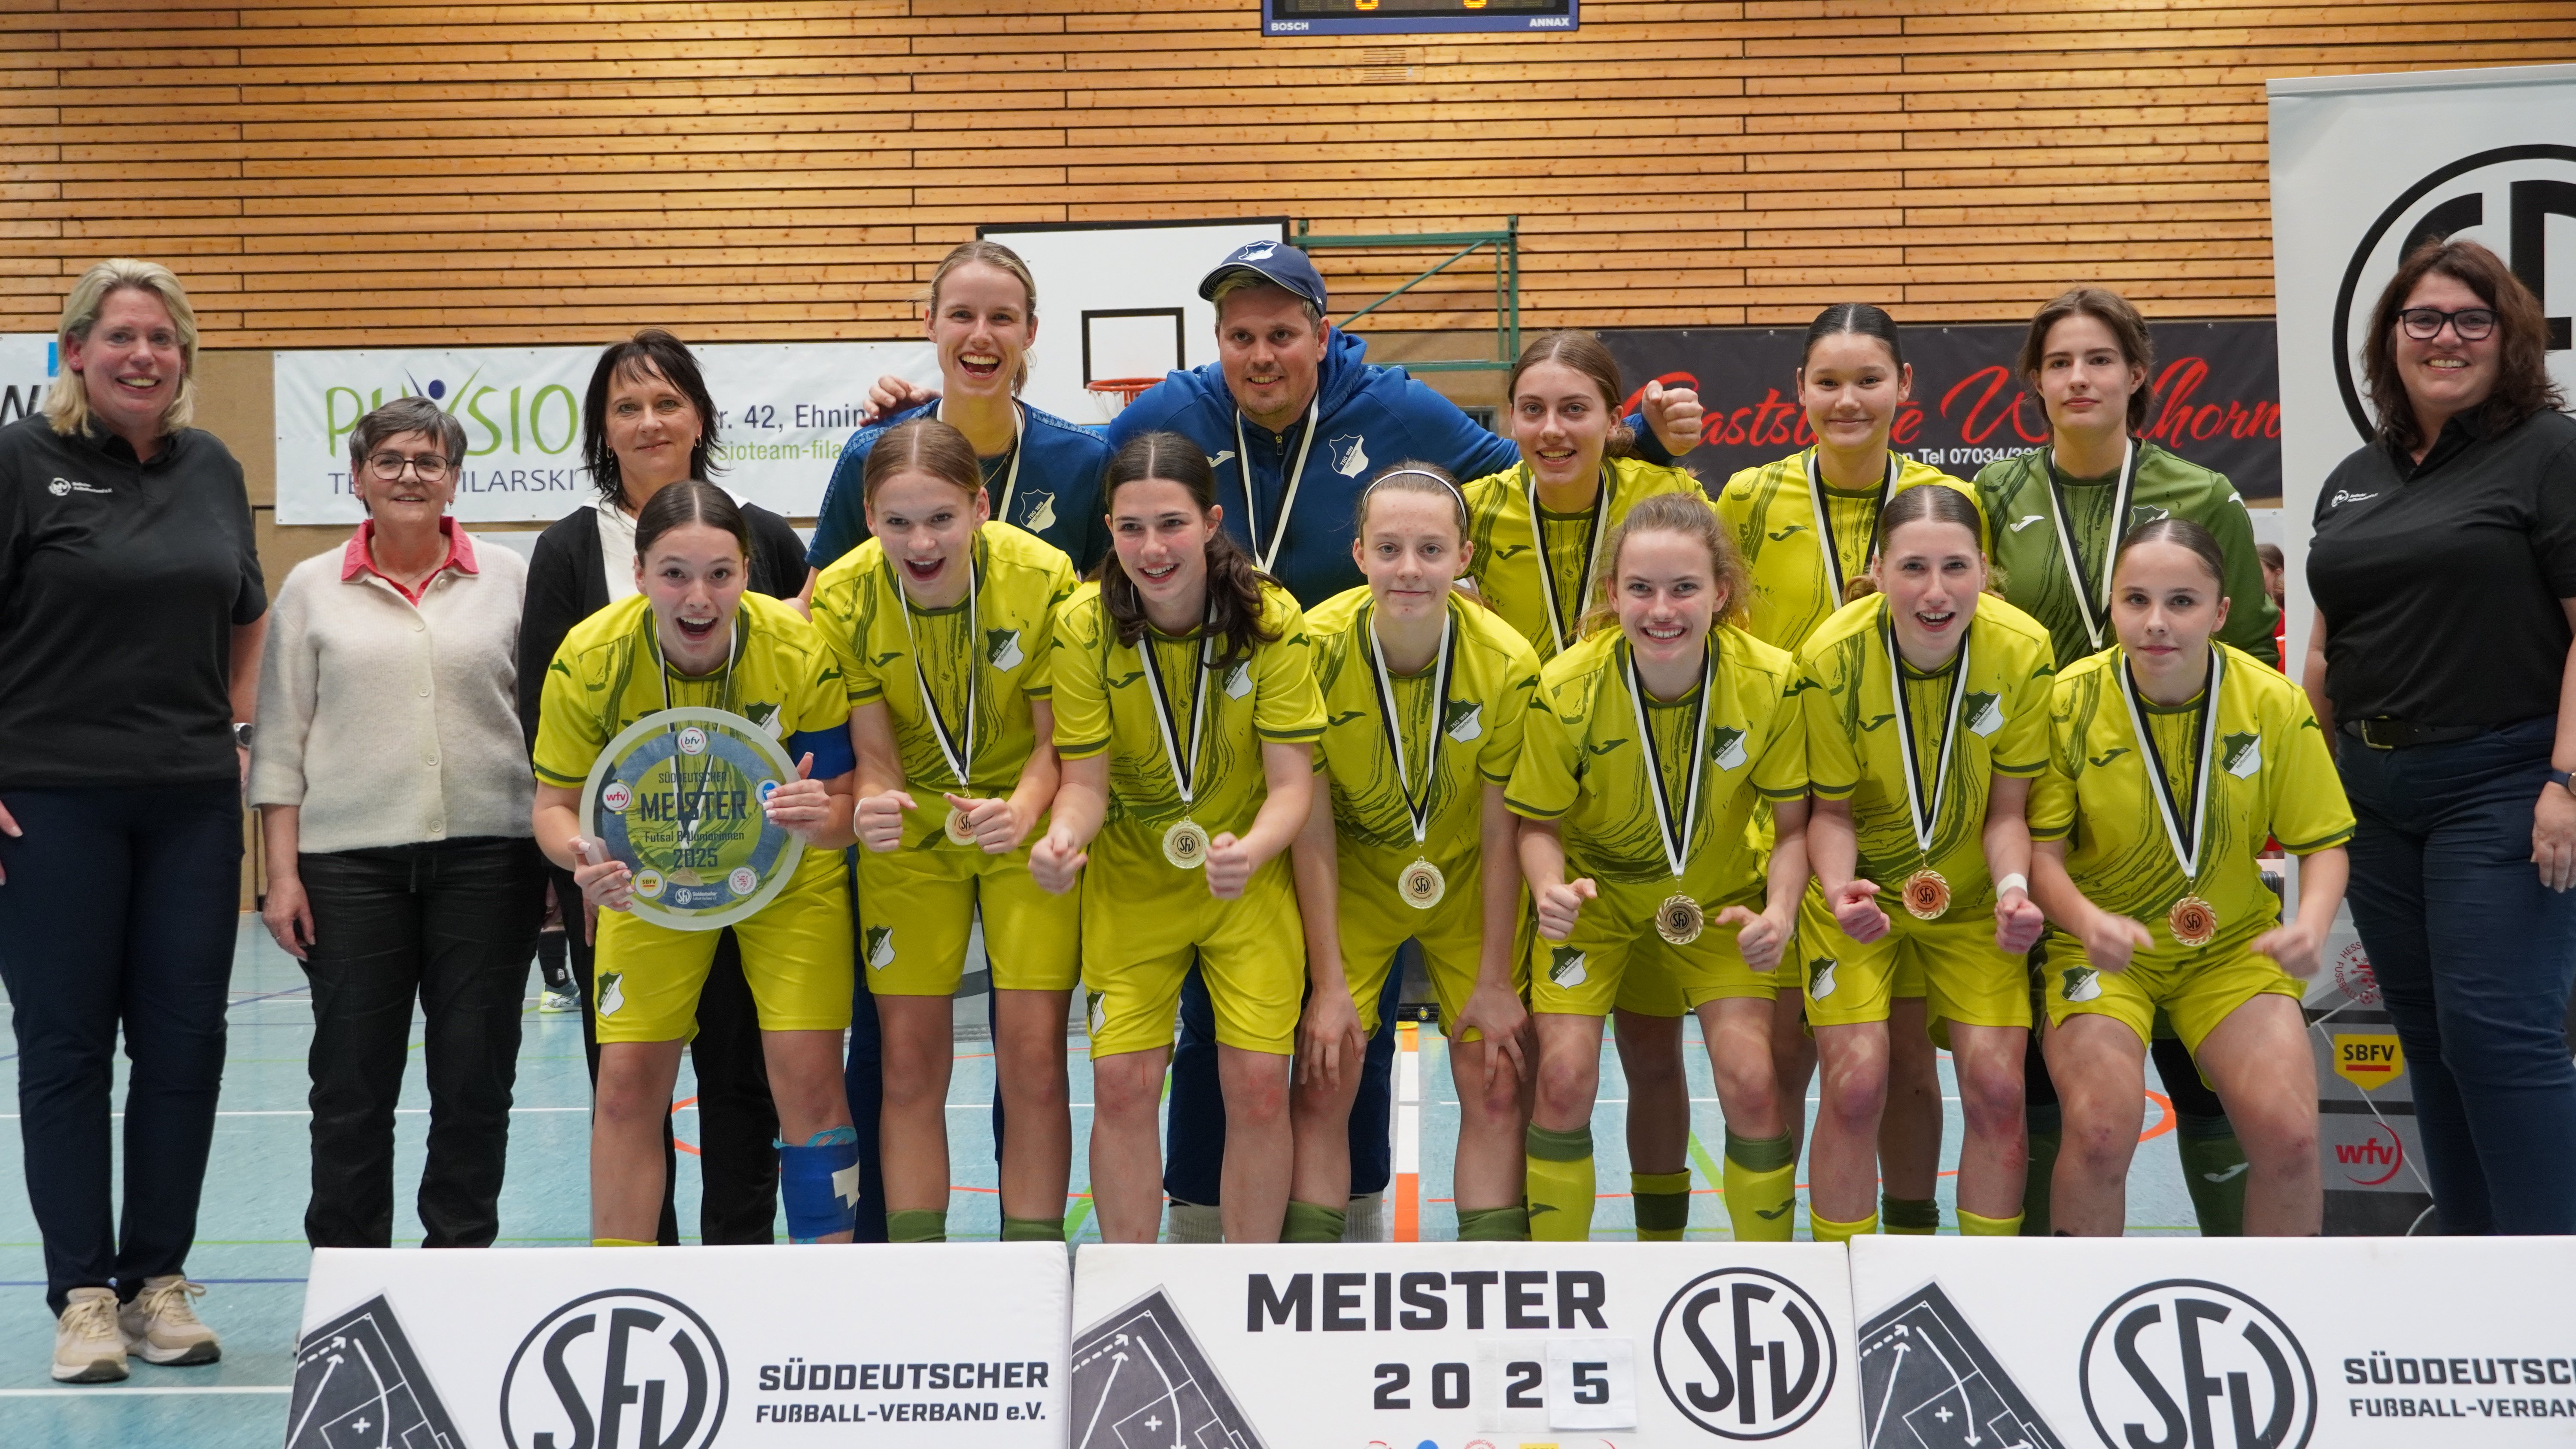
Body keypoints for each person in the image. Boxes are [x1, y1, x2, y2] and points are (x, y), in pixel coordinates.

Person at [871, 244, 1707, 1238]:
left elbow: (1530, 471)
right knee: (1196, 1050)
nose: (1260, 354)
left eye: (1280, 334)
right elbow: (1069, 467)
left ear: (1323, 332)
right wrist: (919, 429)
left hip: (1335, 766)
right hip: (1198, 789)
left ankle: (1325, 1251)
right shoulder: (1161, 426)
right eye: (1240, 337)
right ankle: (1188, 1235)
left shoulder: (1400, 411)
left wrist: (1642, 450)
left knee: (1323, 1051)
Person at [0, 260, 255, 1383]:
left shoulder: (212, 467)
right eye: (120, 337)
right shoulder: (20, 462)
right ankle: (86, 1295)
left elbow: (246, 607)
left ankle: (159, 1282)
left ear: (184, 357)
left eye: (162, 337)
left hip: (191, 803)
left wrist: (235, 727)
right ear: (75, 352)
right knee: (64, 1048)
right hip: (49, 803)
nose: (143, 354)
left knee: (184, 1046)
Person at [1975, 287, 2274, 1236]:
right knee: (2049, 1060)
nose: (2078, 378)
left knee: (2203, 1053)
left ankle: (2239, 1281)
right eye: (2059, 362)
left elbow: (2254, 659)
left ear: (2137, 374)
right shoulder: (1996, 497)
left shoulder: (2202, 496)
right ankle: (2046, 1284)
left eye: (2098, 359)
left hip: (2178, 808)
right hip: (2040, 808)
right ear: (2033, 380)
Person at [2306, 237, 2576, 1235]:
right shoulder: (2353, 476)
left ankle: (2552, 1284)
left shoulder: (2550, 453)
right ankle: (2473, 1273)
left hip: (2502, 780)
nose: (2447, 338)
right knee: (2427, 1035)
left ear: (2508, 339)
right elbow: (2330, 649)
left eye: (2473, 319)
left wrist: (2568, 782)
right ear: (2391, 338)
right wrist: (2311, 788)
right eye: (2423, 318)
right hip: (2372, 793)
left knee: (2499, 1036)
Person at [516, 330, 809, 1244]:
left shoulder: (763, 533)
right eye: (626, 407)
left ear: (701, 416)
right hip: (630, 880)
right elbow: (553, 744)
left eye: (667, 401)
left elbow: (808, 707)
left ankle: (739, 1269)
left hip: (757, 872)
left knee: (743, 1080)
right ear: (603, 429)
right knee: (632, 1082)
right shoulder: (570, 551)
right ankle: (646, 1274)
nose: (649, 421)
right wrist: (582, 870)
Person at [532, 481, 865, 1246]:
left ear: (748, 572)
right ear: (641, 574)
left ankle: (834, 1288)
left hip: (788, 879)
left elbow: (843, 808)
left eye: (720, 573)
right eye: (675, 572)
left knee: (810, 1082)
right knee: (625, 1089)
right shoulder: (590, 657)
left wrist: (825, 817)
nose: (698, 596)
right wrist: (579, 854)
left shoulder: (798, 648)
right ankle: (622, 1285)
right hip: (647, 885)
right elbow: (553, 807)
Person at [250, 396, 545, 1254]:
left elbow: (545, 722)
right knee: (349, 1082)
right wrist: (282, 874)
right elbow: (279, 740)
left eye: (429, 460)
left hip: (492, 860)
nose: (410, 475)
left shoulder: (509, 576)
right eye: (391, 460)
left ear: (454, 478)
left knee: (475, 1079)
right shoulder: (310, 586)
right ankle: (350, 1273)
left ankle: (457, 1262)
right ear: (358, 478)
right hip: (349, 870)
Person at [1716, 302, 1985, 1238]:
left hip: (1911, 813)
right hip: (1786, 814)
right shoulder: (1749, 498)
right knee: (1790, 1049)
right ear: (1797, 393)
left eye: (1868, 379)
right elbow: (1720, 643)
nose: (1848, 400)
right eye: (1826, 382)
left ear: (1906, 388)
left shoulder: (1949, 502)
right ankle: (1780, 1253)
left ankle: (1908, 1241)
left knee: (1906, 1057)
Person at [1031, 432, 1325, 1242]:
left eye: (1170, 524)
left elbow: (1293, 785)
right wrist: (1061, 841)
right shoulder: (1082, 626)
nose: (1151, 549)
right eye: (1130, 529)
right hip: (1133, 883)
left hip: (1247, 885)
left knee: (1261, 1087)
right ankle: (1129, 1285)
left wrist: (1253, 851)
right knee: (1123, 1085)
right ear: (1110, 531)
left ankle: (1247, 1284)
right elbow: (1084, 784)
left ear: (1211, 522)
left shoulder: (1272, 619)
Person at [1458, 328, 1719, 1236]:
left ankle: (1659, 1248)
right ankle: (1540, 1251)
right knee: (1534, 1053)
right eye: (1532, 409)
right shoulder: (1477, 513)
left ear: (1618, 419)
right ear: (1507, 419)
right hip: (1515, 811)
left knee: (1653, 1047)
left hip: (1644, 808)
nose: (1552, 429)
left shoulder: (1665, 495)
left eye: (1576, 409)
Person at [2030, 518, 2348, 1235]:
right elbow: (2041, 858)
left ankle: (2279, 1320)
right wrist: (2085, 922)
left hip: (2234, 952)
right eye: (2136, 600)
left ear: (2221, 611)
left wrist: (2311, 926)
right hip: (2102, 953)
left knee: (2293, 1140)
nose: (2156, 624)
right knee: (2104, 1130)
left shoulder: (2271, 703)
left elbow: (2324, 844)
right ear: (2112, 606)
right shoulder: (2068, 703)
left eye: (2182, 602)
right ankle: (2077, 1317)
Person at [1508, 493, 1810, 1242]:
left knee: (1750, 1077)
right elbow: (1537, 824)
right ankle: (1565, 1280)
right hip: (1598, 907)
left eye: (1684, 588)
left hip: (1719, 907)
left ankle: (1757, 1274)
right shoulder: (1566, 687)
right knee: (1567, 1074)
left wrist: (1779, 911)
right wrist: (1549, 887)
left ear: (1722, 592)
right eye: (1640, 589)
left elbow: (1798, 825)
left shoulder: (1772, 681)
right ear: (1612, 593)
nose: (1662, 609)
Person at [811, 418, 1082, 1244]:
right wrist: (872, 810)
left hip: (1020, 820)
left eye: (940, 518)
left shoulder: (1043, 576)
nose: (920, 541)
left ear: (981, 507)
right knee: (908, 1064)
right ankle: (919, 1267)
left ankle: (1032, 1262)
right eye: (898, 522)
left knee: (1034, 1062)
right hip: (915, 833)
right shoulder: (846, 594)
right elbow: (874, 756)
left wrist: (1025, 812)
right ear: (868, 518)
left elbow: (1054, 742)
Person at [1286, 462, 1543, 1243]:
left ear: (1464, 557)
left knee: (1496, 1076)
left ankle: (1494, 1285)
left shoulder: (1507, 664)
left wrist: (1498, 979)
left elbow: (1506, 831)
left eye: (1430, 550)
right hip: (1355, 872)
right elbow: (1311, 823)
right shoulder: (1311, 649)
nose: (1409, 569)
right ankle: (1310, 1287)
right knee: (1325, 1077)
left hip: (1469, 875)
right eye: (1390, 548)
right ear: (1359, 553)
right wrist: (1328, 984)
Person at [1795, 485, 2054, 1241]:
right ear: (1877, 570)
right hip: (1857, 890)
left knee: (2000, 1089)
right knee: (1855, 1085)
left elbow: (2009, 812)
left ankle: (1983, 1288)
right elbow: (1830, 814)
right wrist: (1843, 890)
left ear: (1986, 571)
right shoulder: (1830, 658)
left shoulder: (2023, 651)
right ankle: (1844, 1286)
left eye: (1955, 568)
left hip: (1976, 901)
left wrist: (2014, 891)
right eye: (1912, 568)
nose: (1935, 592)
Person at [805, 239, 1113, 583]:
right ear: (931, 324)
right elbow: (818, 604)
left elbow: (1106, 603)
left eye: (1001, 317)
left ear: (1030, 332)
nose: (981, 335)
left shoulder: (1085, 461)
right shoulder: (870, 456)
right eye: (962, 315)